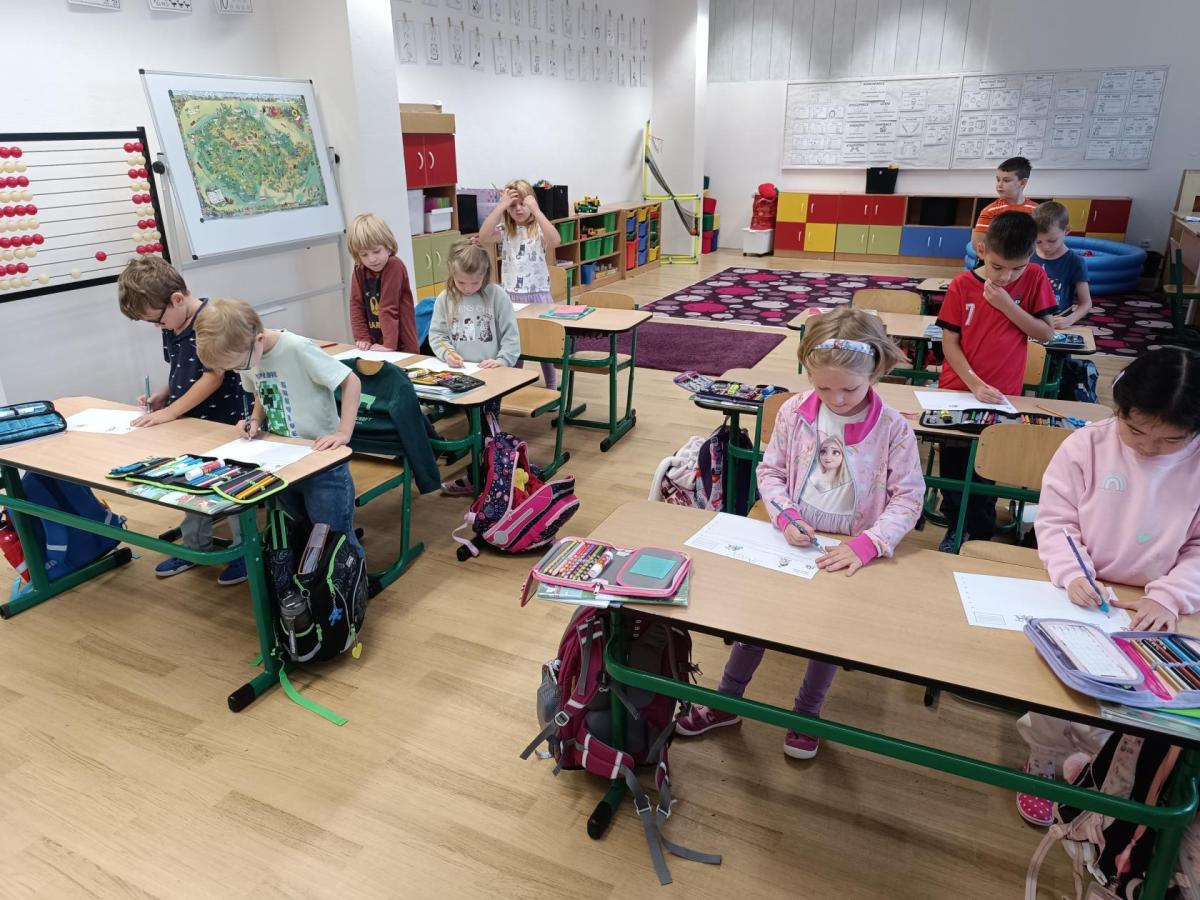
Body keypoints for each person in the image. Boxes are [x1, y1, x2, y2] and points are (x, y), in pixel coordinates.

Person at [674, 309, 925, 759]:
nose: (837, 399)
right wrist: (785, 516)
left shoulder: (893, 429)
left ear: (876, 372)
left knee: (825, 636)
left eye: (849, 389)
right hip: (791, 540)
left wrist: (869, 544)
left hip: (849, 550)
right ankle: (727, 702)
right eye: (823, 387)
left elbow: (908, 498)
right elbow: (770, 472)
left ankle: (807, 714)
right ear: (808, 373)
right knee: (757, 623)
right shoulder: (793, 411)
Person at [1015, 347, 1200, 826]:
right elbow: (1056, 521)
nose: (1148, 447)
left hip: (1159, 602)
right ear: (1119, 408)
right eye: (1135, 430)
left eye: (1170, 439)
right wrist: (1074, 573)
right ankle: (1045, 755)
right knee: (1059, 680)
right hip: (1083, 589)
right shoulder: (1088, 445)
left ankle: (1102, 763)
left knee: (1136, 695)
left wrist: (1169, 596)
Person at [194, 298, 364, 557]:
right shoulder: (247, 354)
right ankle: (308, 580)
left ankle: (348, 581)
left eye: (239, 366)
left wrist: (343, 432)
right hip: (284, 461)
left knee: (334, 537)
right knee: (299, 531)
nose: (239, 370)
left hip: (322, 461)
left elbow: (351, 381)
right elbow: (262, 392)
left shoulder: (297, 348)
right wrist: (254, 420)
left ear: (259, 339)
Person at [116, 257, 250, 585]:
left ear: (176, 299)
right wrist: (164, 396)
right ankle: (195, 547)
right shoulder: (173, 323)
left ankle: (246, 552)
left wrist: (172, 411)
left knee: (232, 491)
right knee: (189, 485)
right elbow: (179, 369)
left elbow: (213, 376)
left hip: (224, 423)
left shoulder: (211, 321)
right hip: (192, 424)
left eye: (157, 321)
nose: (158, 327)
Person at [936, 211, 1057, 552]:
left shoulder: (1034, 278)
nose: (1006, 276)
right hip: (959, 390)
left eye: (1017, 268)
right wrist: (974, 383)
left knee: (987, 468)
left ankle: (980, 532)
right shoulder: (962, 285)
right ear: (982, 251)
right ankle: (955, 526)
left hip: (1004, 394)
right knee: (954, 468)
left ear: (1031, 256)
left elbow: (1045, 333)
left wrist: (1007, 306)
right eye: (997, 266)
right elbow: (950, 342)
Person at [428, 240, 522, 496]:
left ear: (485, 274)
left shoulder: (496, 295)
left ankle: (488, 476)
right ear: (451, 272)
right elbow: (437, 336)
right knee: (477, 425)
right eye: (461, 282)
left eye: (475, 282)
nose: (468, 288)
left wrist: (502, 360)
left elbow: (511, 336)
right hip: (461, 375)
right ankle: (488, 474)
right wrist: (448, 354)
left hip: (492, 375)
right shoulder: (445, 298)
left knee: (488, 425)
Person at [476, 179, 561, 388]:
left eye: (523, 204)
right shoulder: (506, 229)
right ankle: (515, 384)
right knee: (514, 341)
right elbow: (483, 236)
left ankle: (552, 384)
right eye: (513, 205)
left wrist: (537, 210)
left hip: (538, 294)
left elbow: (555, 240)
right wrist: (500, 206)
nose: (519, 209)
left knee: (543, 342)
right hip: (511, 297)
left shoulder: (538, 228)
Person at [346, 213, 418, 353]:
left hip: (402, 345)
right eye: (364, 254)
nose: (372, 259)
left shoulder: (394, 265)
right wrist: (362, 337)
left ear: (388, 246)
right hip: (376, 344)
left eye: (376, 251)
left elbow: (388, 306)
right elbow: (356, 304)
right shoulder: (360, 269)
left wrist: (389, 344)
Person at [1031, 201, 1092, 328]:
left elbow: (1086, 303)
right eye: (1038, 242)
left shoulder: (1075, 262)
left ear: (1067, 230)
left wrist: (1069, 320)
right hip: (1031, 320)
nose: (1045, 247)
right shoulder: (1028, 256)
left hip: (1059, 322)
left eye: (1052, 241)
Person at [972, 156, 1039, 255]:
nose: (999, 184)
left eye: (1006, 180)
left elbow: (1041, 240)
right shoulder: (990, 211)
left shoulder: (1037, 211)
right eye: (998, 180)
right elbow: (978, 244)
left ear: (1022, 182)